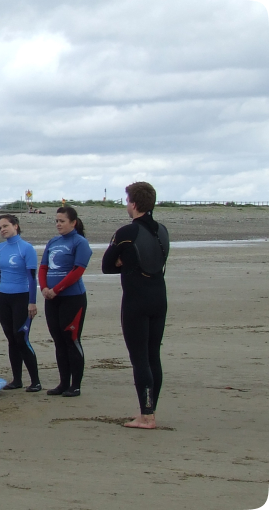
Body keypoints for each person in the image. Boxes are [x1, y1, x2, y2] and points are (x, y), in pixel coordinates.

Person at [101, 182, 170, 429]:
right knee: (153, 356)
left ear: (133, 203)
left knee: (139, 358)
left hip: (136, 300)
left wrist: (122, 261)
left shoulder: (126, 233)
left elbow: (107, 266)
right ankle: (150, 410)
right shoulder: (162, 230)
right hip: (159, 298)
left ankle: (146, 416)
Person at [39, 206, 92, 397]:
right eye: (56, 221)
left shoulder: (80, 242)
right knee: (58, 341)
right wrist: (44, 288)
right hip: (52, 298)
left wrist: (57, 289)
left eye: (62, 221)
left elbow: (78, 271)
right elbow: (43, 267)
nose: (58, 224)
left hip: (72, 298)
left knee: (71, 339)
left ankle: (75, 385)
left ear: (73, 222)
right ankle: (63, 383)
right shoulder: (53, 242)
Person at [0, 214, 41, 392]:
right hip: (4, 298)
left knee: (21, 338)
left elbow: (32, 278)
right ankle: (17, 380)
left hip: (22, 297)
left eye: (5, 226)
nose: (2, 230)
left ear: (16, 226)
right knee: (11, 339)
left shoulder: (26, 248)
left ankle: (35, 381)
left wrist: (32, 302)